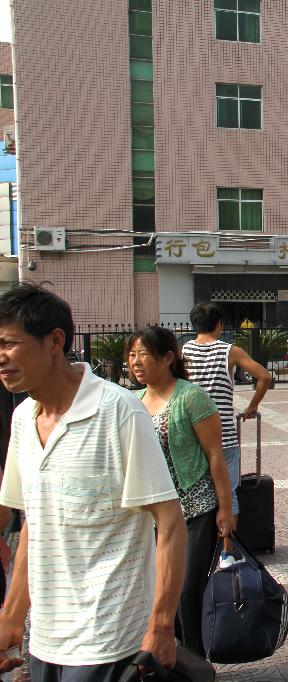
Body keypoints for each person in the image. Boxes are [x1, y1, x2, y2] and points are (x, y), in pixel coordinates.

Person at [0, 284, 186, 679]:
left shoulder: (119, 411)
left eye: (9, 343)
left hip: (109, 636)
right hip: (45, 636)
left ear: (55, 341)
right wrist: (12, 616)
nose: (1, 356)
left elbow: (169, 520)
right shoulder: (22, 421)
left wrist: (161, 625)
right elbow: (36, 522)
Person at [128, 325, 237, 655]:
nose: (135, 362)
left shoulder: (191, 397)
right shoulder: (132, 402)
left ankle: (195, 663)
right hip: (153, 517)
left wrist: (225, 507)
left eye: (143, 354)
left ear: (167, 358)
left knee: (186, 593)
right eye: (131, 355)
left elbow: (215, 455)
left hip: (195, 510)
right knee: (160, 594)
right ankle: (171, 660)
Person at [182, 302, 272, 516]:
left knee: (195, 495)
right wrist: (252, 405)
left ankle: (202, 536)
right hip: (224, 435)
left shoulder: (185, 350)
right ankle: (228, 537)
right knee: (228, 494)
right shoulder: (229, 351)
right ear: (219, 324)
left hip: (193, 434)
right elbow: (264, 376)